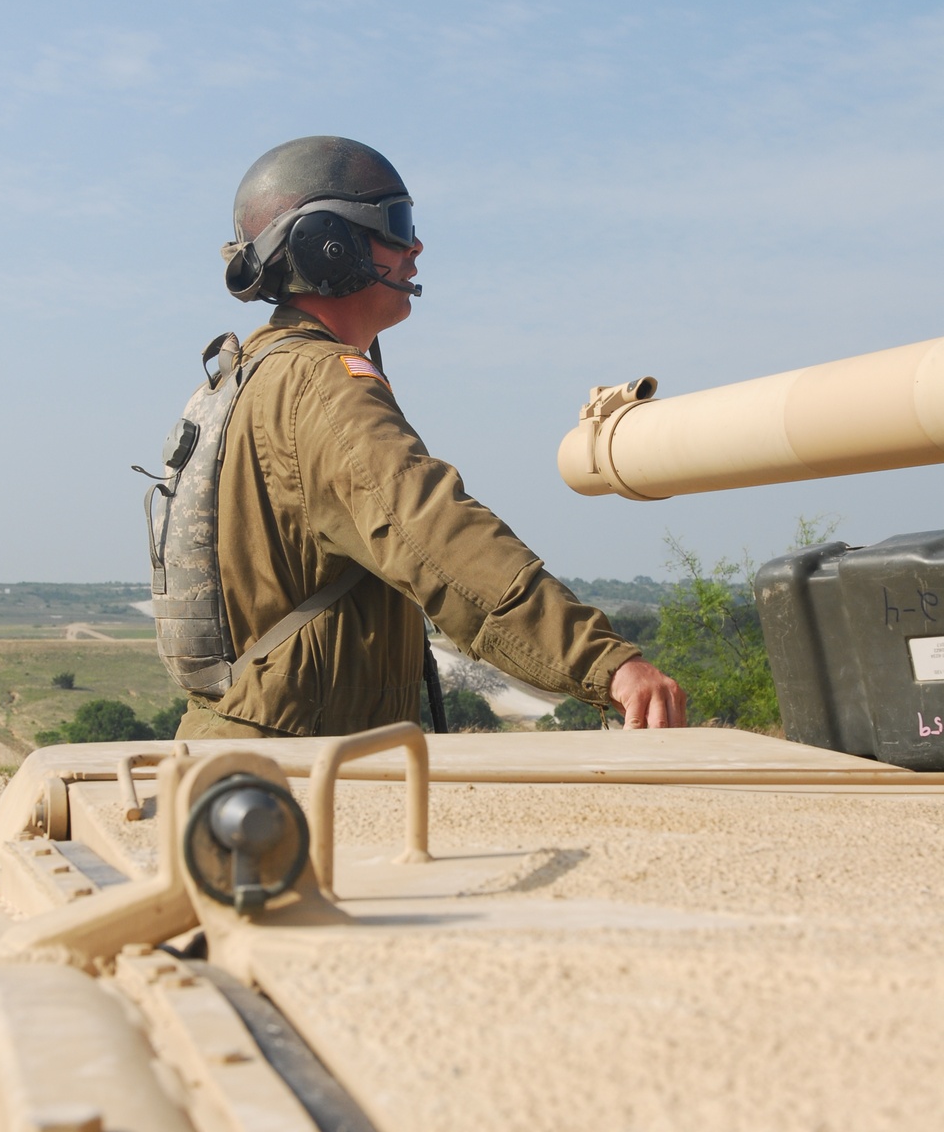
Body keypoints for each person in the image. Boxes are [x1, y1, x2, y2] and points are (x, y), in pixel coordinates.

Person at [176, 135, 685, 740]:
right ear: (328, 245)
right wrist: (606, 663)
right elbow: (435, 535)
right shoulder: (321, 386)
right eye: (396, 223)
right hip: (304, 768)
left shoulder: (250, 376)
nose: (415, 246)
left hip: (253, 752)